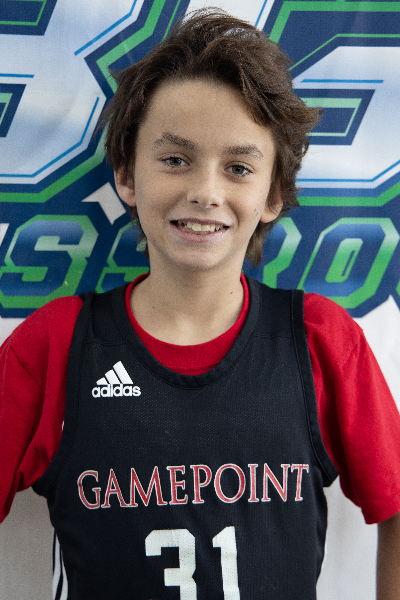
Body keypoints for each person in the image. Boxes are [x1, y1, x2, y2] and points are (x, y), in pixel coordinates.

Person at [1, 8, 400, 599]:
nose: (206, 192)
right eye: (175, 159)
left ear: (273, 194)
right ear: (126, 176)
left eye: (238, 167)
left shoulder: (320, 339)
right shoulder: (56, 343)